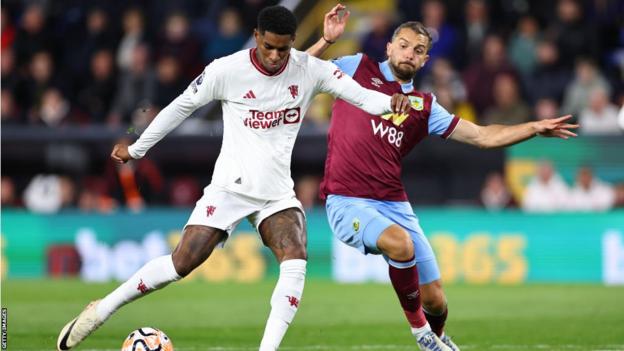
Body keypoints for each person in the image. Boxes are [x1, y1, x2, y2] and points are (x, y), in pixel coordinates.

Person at [57, 5, 411, 351]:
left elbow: (364, 98)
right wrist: (138, 149)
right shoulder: (226, 70)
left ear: (292, 44)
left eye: (283, 49)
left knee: (296, 257)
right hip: (230, 188)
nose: (275, 55)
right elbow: (181, 106)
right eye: (268, 46)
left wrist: (392, 102)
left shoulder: (310, 69)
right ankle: (102, 309)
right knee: (182, 263)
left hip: (276, 193)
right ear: (256, 37)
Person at [307, 10, 578, 351]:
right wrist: (326, 40)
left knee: (435, 299)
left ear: (425, 60)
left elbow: (482, 136)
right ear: (389, 47)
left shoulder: (424, 106)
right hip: (347, 200)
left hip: (394, 203)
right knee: (400, 244)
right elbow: (299, 71)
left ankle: (436, 333)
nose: (409, 53)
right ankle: (423, 335)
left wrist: (534, 128)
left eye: (418, 50)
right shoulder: (356, 67)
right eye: (403, 45)